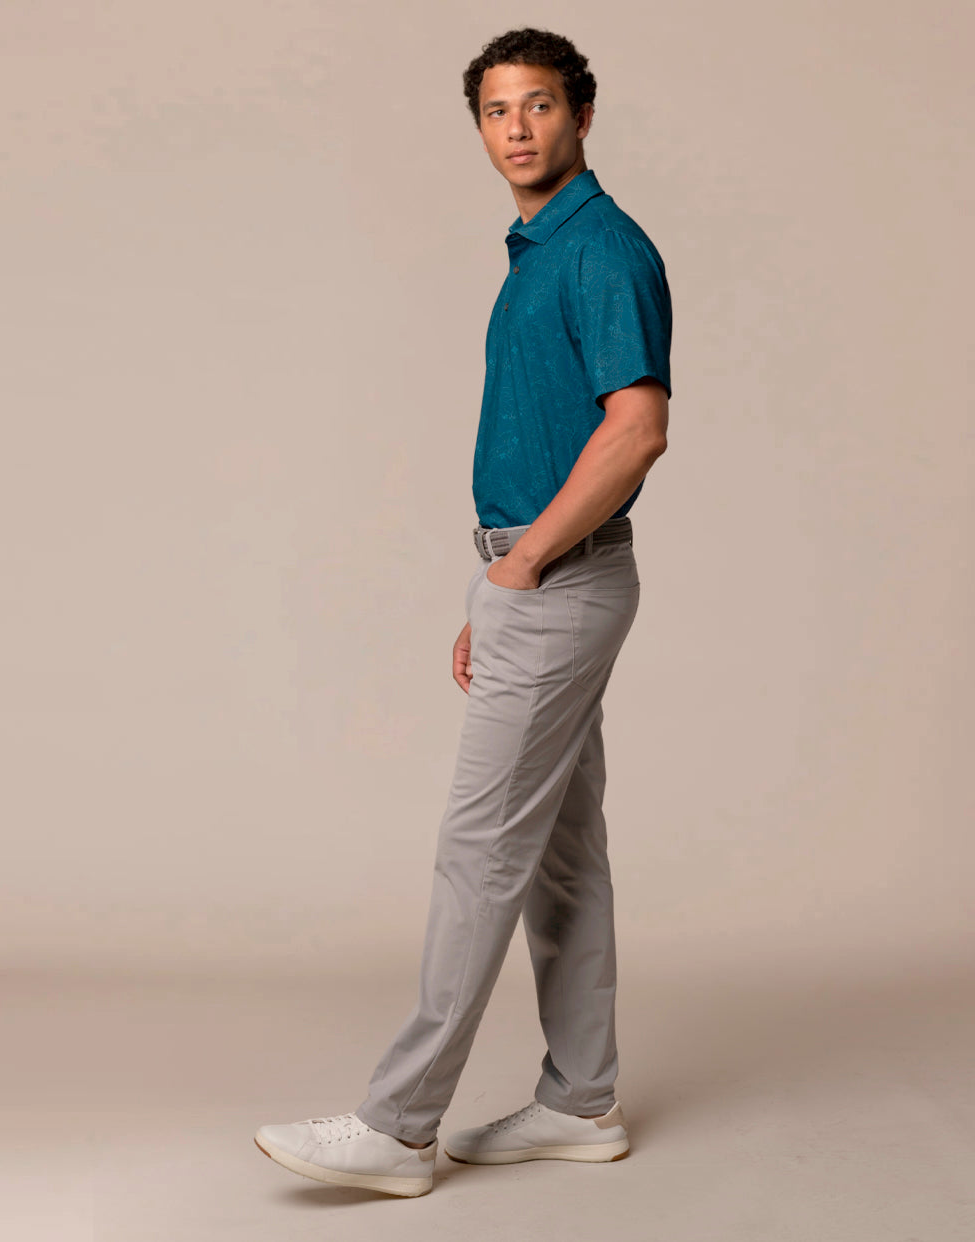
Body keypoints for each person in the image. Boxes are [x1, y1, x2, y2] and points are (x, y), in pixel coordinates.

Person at [254, 26, 672, 1198]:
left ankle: (399, 1127)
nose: (517, 128)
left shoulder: (600, 250)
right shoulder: (539, 252)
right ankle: (580, 1104)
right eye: (496, 110)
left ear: (581, 113)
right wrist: (497, 582)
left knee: (480, 849)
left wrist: (522, 565)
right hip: (537, 579)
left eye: (538, 104)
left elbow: (637, 428)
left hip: (558, 576)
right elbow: (547, 436)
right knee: (561, 854)